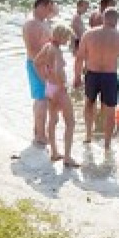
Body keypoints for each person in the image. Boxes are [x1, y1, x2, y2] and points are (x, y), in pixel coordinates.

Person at [74, 7, 119, 149]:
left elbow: (79, 57)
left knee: (89, 104)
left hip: (92, 74)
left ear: (103, 18)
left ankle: (88, 136)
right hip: (110, 76)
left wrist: (77, 76)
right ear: (117, 21)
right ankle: (107, 143)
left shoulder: (89, 34)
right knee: (110, 111)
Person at [36, 23, 79, 167]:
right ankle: (67, 157)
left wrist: (45, 78)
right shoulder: (57, 51)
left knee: (53, 120)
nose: (67, 41)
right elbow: (58, 70)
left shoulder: (47, 47)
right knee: (70, 123)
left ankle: (54, 152)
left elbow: (37, 62)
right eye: (66, 38)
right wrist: (62, 86)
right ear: (61, 37)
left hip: (50, 87)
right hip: (59, 89)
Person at [23, 0, 56, 146]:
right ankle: (41, 135)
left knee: (43, 99)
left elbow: (55, 13)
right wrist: (43, 68)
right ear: (41, 6)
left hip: (43, 64)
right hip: (37, 64)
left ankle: (38, 131)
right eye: (48, 8)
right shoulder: (32, 23)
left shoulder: (41, 21)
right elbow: (33, 48)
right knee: (41, 100)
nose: (50, 12)